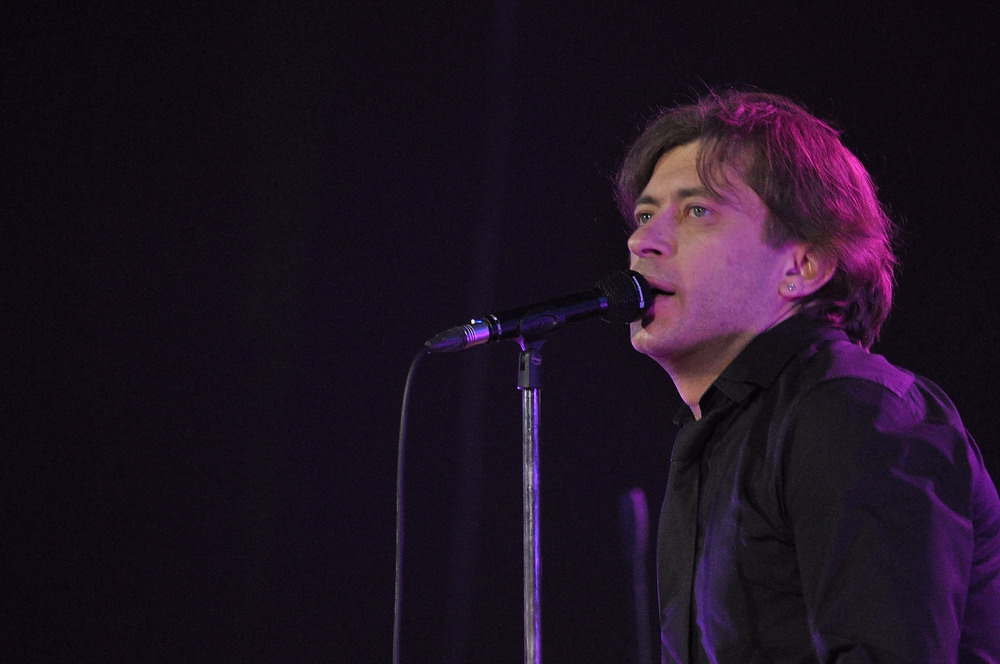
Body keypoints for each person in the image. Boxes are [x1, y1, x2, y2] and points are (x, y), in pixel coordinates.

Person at [615, 90, 1000, 663]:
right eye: (646, 215)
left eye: (697, 211)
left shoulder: (850, 411)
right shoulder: (722, 429)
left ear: (804, 265)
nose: (641, 240)